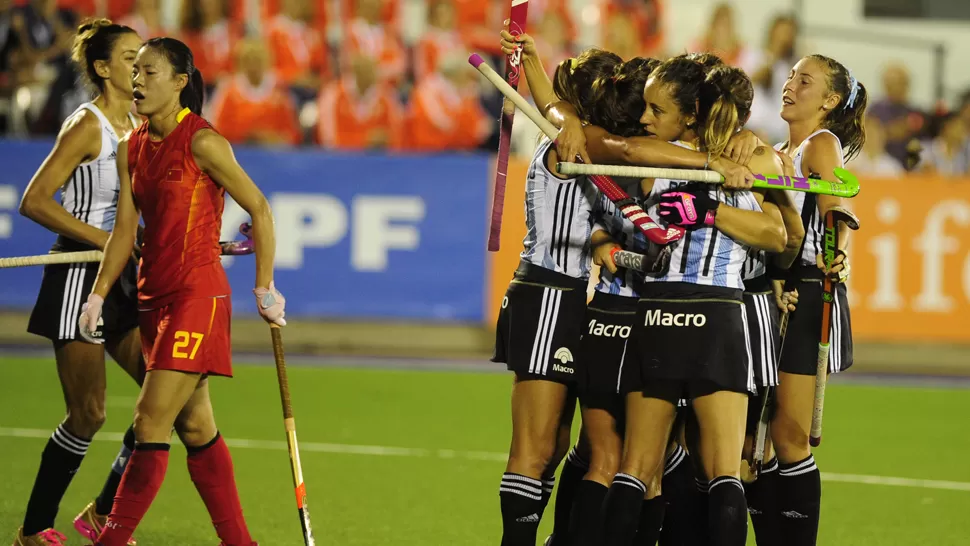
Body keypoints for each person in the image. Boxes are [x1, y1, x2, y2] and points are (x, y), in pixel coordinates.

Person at [79, 36, 283, 546]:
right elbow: (125, 231)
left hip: (197, 297)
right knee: (195, 427)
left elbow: (258, 208)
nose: (138, 80)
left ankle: (112, 539)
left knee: (149, 421)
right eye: (136, 71)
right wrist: (100, 293)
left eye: (150, 72)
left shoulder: (204, 142)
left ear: (180, 81)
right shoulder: (133, 146)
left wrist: (265, 285)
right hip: (153, 299)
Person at [595, 58, 790, 546]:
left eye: (657, 108)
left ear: (692, 110)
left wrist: (709, 209)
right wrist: (719, 173)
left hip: (663, 311)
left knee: (636, 467)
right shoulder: (751, 160)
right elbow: (777, 235)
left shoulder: (673, 158)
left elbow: (780, 235)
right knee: (724, 467)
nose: (646, 117)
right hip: (714, 314)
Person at [14, 19, 143, 546]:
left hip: (122, 278)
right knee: (88, 413)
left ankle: (101, 513)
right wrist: (105, 238)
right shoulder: (87, 125)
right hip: (78, 272)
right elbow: (35, 199)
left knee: (170, 397)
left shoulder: (139, 125)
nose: (140, 63)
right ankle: (34, 527)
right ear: (103, 67)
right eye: (130, 56)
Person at [766, 54, 867, 546]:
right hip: (774, 290)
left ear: (828, 101)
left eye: (804, 81)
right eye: (789, 76)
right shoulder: (780, 147)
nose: (790, 85)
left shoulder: (820, 143)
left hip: (809, 290)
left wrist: (838, 254)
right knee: (760, 441)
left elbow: (836, 209)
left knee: (788, 437)